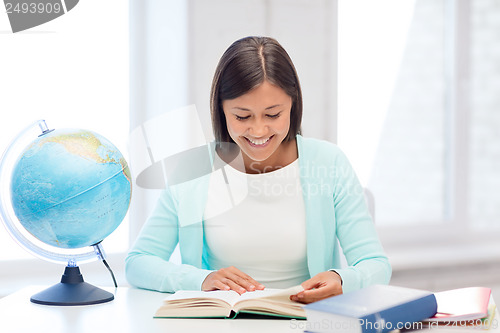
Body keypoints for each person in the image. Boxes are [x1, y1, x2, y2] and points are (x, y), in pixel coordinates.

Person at [125, 36, 391, 304]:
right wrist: (200, 280)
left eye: (273, 114)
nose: (259, 131)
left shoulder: (328, 162)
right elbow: (138, 263)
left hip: (303, 322)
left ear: (293, 105)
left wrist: (342, 279)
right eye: (242, 116)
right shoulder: (194, 169)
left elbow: (376, 265)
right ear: (221, 110)